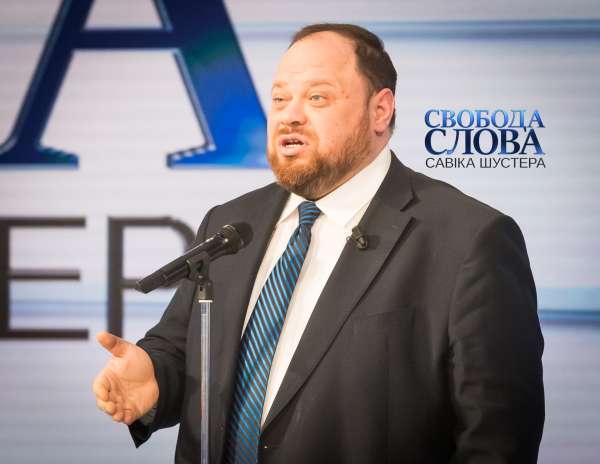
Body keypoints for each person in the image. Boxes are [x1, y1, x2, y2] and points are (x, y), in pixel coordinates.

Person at [93, 23, 545, 463]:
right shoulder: (231, 222)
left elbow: (497, 440)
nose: (289, 115)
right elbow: (184, 349)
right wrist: (155, 378)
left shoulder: (468, 239)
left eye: (317, 97)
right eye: (279, 98)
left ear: (380, 110)